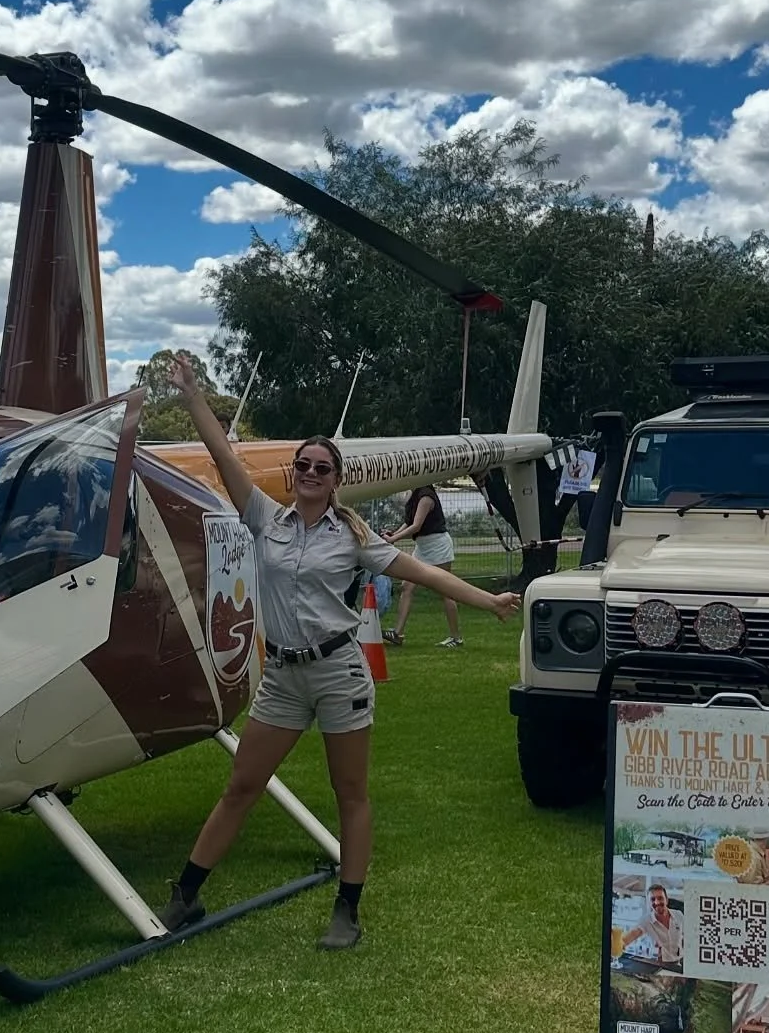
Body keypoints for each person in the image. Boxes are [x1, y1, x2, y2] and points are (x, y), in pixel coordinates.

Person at [158, 355, 522, 949]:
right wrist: (194, 395)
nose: (308, 472)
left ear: (335, 479)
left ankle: (347, 908)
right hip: (281, 676)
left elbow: (426, 575)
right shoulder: (265, 519)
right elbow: (225, 459)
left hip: (338, 673)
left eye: (320, 468)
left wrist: (489, 601)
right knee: (242, 785)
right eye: (302, 464)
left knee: (349, 793)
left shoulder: (353, 537)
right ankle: (186, 896)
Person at [383, 485, 462, 647]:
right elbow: (408, 522)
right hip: (422, 547)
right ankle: (398, 633)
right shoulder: (414, 494)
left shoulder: (426, 496)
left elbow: (416, 526)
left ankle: (456, 637)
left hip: (437, 545)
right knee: (407, 586)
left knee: (446, 590)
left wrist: (394, 539)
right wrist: (394, 534)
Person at [619, 882, 683, 968]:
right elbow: (633, 934)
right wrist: (618, 944)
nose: (656, 902)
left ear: (667, 900)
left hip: (680, 963)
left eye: (660, 898)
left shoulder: (678, 915)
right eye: (653, 899)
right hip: (659, 965)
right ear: (649, 903)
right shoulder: (646, 920)